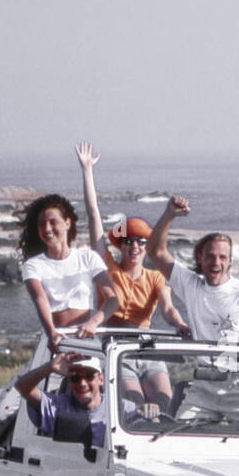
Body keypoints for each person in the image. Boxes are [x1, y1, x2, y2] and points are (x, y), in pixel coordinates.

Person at [145, 196, 239, 429]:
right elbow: (155, 251)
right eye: (210, 256)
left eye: (222, 257)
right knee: (177, 438)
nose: (216, 262)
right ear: (200, 258)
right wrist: (169, 214)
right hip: (203, 386)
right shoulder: (191, 286)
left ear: (229, 262)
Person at [76, 141, 190, 409]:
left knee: (164, 403)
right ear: (120, 245)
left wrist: (181, 325)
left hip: (147, 346)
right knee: (135, 404)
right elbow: (94, 217)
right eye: (129, 241)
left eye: (141, 242)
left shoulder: (155, 277)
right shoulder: (107, 266)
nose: (135, 246)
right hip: (116, 347)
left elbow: (168, 308)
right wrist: (87, 171)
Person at [18, 173, 121, 354]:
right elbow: (40, 300)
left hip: (85, 340)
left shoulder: (88, 258)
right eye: (42, 224)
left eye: (53, 222)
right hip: (55, 339)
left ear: (67, 223)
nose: (47, 229)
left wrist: (93, 322)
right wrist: (52, 333)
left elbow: (112, 300)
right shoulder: (33, 265)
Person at [14, 352, 158, 448]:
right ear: (69, 383)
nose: (82, 384)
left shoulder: (121, 408)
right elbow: (22, 387)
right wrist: (50, 367)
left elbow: (153, 435)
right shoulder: (56, 406)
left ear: (101, 379)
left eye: (89, 377)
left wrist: (152, 415)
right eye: (75, 378)